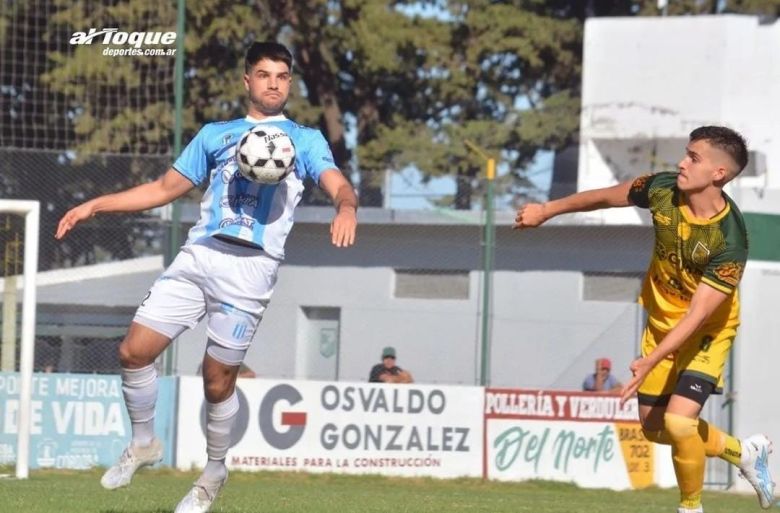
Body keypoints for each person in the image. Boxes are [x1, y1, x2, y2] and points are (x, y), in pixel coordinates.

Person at [55, 41, 357, 513]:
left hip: (250, 271)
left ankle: (213, 473)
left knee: (216, 382)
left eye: (282, 75)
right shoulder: (217, 134)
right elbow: (163, 188)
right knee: (133, 351)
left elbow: (335, 181)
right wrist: (96, 204)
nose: (273, 83)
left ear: (289, 83)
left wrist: (347, 207)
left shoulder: (304, 140)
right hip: (200, 255)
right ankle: (143, 443)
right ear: (247, 81)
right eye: (264, 74)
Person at [515, 126, 773, 513]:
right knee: (656, 430)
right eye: (686, 154)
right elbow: (605, 196)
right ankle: (743, 453)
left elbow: (698, 314)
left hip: (706, 332)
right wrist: (546, 211)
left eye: (694, 158)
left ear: (719, 174)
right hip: (660, 323)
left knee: (681, 423)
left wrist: (651, 360)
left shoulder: (730, 241)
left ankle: (690, 508)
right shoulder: (662, 189)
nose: (682, 163)